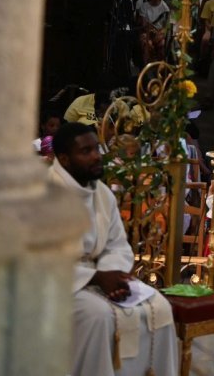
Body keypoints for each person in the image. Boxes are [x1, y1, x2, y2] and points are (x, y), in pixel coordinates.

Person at [49, 122, 179, 376]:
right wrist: (97, 278)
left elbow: (117, 244)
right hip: (57, 285)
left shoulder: (101, 194)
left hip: (101, 276)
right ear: (64, 159)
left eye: (96, 148)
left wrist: (114, 277)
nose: (97, 155)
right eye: (85, 151)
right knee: (98, 317)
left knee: (160, 307)